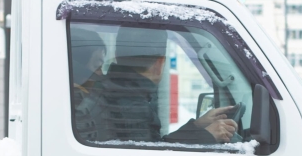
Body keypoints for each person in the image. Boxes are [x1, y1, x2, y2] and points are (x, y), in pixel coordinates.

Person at [74, 27, 241, 146]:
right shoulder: (129, 101)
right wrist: (206, 136)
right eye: (96, 64)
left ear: (117, 56)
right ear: (160, 63)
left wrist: (197, 126)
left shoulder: (121, 93)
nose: (98, 74)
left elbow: (153, 145)